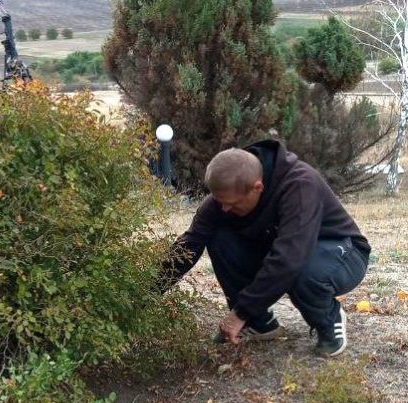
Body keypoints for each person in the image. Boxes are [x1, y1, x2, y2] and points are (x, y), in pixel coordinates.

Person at [159, 140, 370, 357]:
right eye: (220, 201)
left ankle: (328, 320)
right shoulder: (225, 198)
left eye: (232, 203)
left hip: (342, 252)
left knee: (300, 268)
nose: (224, 208)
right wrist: (144, 292)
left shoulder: (299, 185)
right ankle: (259, 323)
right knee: (219, 238)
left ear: (257, 187)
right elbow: (188, 246)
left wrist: (240, 312)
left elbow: (289, 258)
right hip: (287, 252)